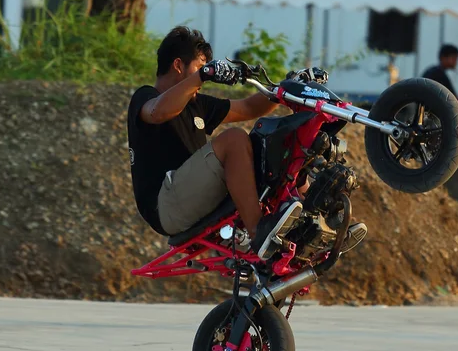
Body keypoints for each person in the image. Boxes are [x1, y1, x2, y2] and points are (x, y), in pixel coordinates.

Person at [127, 26, 364, 260]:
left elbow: (249, 107)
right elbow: (158, 112)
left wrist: (287, 85)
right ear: (178, 65)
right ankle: (258, 232)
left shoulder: (197, 104)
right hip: (166, 206)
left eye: (204, 69)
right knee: (234, 140)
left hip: (191, 195)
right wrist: (204, 75)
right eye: (199, 66)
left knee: (279, 145)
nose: (204, 74)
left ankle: (324, 224)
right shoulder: (146, 97)